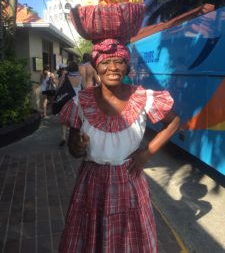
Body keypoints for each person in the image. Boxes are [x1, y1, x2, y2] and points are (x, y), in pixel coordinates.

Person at [58, 39, 180, 252]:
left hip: (129, 179)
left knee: (130, 238)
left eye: (119, 62)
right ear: (96, 67)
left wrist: (146, 153)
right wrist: (77, 146)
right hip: (92, 182)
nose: (113, 67)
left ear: (127, 66)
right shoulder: (82, 102)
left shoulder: (141, 97)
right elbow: (73, 147)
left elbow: (174, 122)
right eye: (106, 62)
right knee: (90, 237)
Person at [58, 60, 82, 146]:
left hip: (67, 99)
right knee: (76, 120)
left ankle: (63, 137)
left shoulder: (66, 76)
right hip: (77, 100)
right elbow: (84, 88)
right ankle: (75, 138)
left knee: (64, 119)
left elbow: (59, 86)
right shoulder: (80, 76)